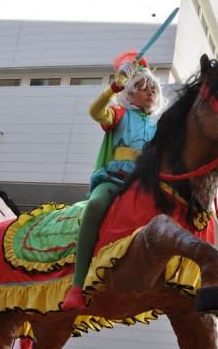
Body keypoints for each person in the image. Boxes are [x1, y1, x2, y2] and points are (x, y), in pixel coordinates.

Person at [62, 52, 166, 310]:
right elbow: (96, 111)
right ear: (130, 94)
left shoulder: (158, 127)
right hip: (116, 178)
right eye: (143, 88)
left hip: (144, 184)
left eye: (153, 89)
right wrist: (113, 87)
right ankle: (77, 284)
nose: (150, 93)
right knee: (96, 206)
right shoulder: (120, 114)